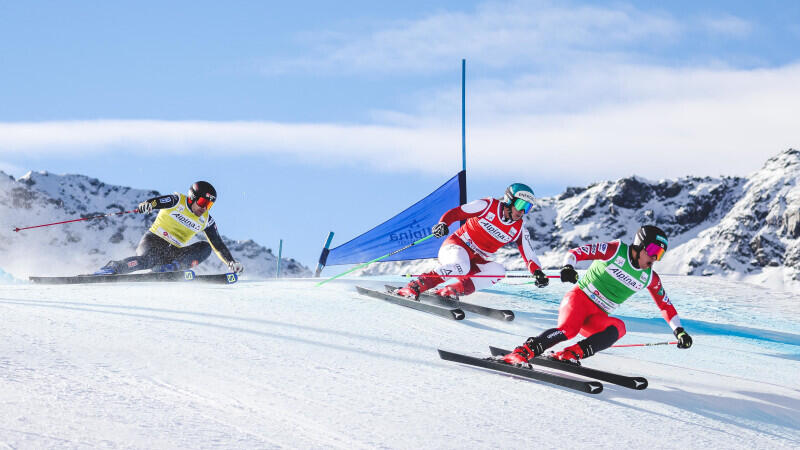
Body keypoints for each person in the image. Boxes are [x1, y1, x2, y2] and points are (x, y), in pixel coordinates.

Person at [502, 225, 692, 365]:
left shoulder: (649, 277)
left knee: (619, 327)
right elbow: (576, 252)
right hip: (579, 300)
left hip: (597, 316)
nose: (654, 258)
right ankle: (523, 351)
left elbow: (665, 305)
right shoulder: (615, 251)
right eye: (652, 251)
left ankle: (571, 353)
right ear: (639, 245)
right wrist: (568, 267)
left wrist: (679, 331)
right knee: (568, 330)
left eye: (659, 254)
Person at [395, 183, 549, 300]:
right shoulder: (487, 206)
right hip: (456, 246)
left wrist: (538, 273)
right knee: (461, 266)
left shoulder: (519, 229)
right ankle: (415, 286)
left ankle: (453, 290)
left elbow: (530, 256)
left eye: (527, 208)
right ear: (509, 200)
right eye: (521, 205)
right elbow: (456, 213)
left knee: (499, 271)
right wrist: (443, 224)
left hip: (475, 260)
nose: (522, 211)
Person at [95, 181, 245, 275]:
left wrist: (230, 262)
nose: (204, 208)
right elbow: (157, 201)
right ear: (192, 197)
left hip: (173, 253)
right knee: (148, 260)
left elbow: (218, 244)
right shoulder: (177, 201)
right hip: (153, 242)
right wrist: (148, 204)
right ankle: (114, 267)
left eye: (209, 205)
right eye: (202, 203)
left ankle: (170, 268)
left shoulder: (206, 220)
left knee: (206, 247)